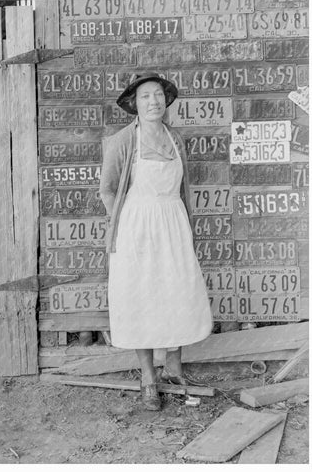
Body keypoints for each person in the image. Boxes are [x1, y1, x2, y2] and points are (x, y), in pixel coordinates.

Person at [99, 72, 213, 411]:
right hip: (137, 228)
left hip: (173, 223)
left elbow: (181, 189)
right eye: (146, 96)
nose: (154, 101)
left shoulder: (175, 138)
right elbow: (106, 189)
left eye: (159, 95)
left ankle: (173, 367)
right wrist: (125, 223)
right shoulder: (122, 141)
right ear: (134, 103)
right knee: (142, 297)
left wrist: (186, 228)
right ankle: (148, 378)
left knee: (178, 291)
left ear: (166, 100)